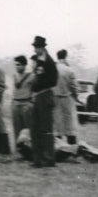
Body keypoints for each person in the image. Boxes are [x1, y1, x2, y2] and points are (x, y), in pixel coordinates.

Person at [29, 35, 58, 167]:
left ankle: (48, 159)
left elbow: (53, 81)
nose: (35, 49)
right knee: (34, 128)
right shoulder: (37, 61)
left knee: (46, 129)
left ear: (42, 48)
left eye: (36, 47)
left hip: (45, 96)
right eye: (34, 47)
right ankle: (37, 160)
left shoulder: (49, 62)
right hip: (36, 96)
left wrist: (39, 84)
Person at [53, 49, 79, 145]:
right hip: (67, 99)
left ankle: (58, 147)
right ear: (65, 57)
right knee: (70, 124)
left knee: (57, 124)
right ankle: (72, 146)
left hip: (54, 98)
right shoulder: (69, 70)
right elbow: (74, 86)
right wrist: (75, 97)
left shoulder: (52, 69)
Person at [11, 55, 33, 144]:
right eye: (15, 65)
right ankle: (19, 149)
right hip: (16, 103)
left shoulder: (31, 76)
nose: (16, 67)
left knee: (27, 128)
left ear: (24, 65)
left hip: (26, 103)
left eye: (19, 65)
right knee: (17, 127)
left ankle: (29, 148)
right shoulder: (14, 75)